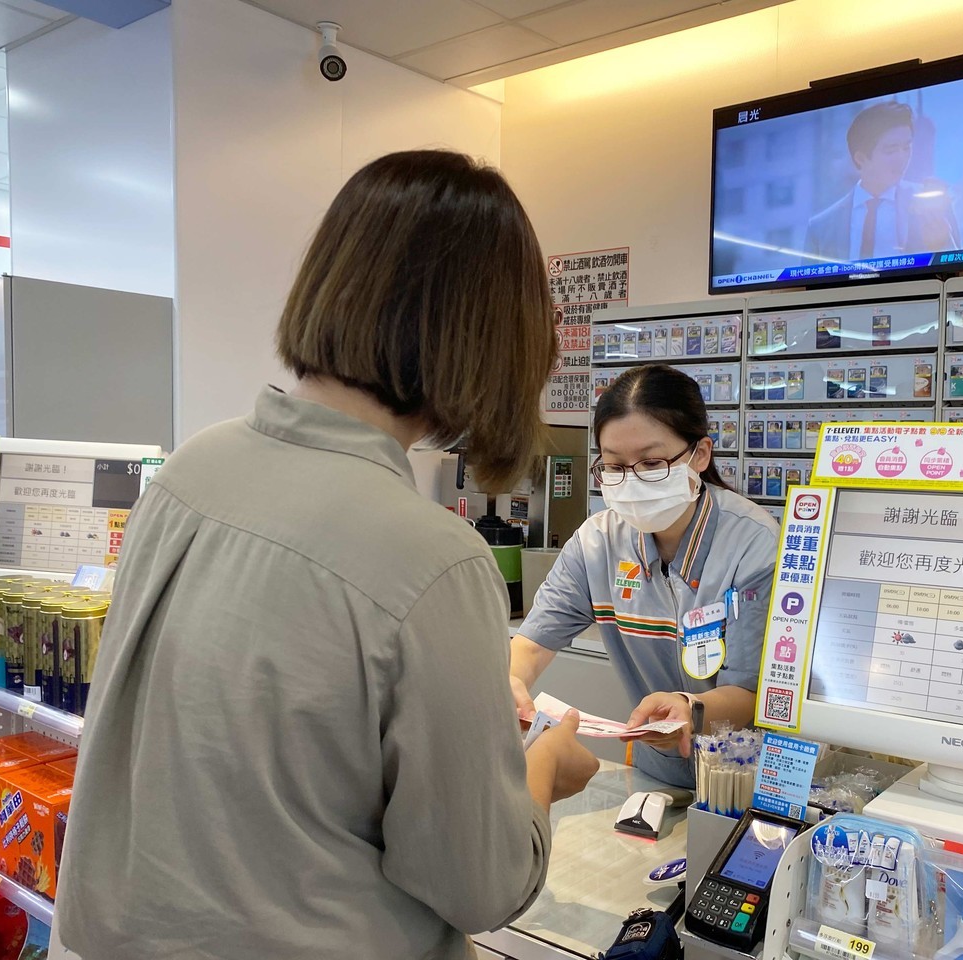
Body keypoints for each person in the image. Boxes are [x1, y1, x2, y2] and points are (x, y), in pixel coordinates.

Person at [53, 151, 599, 960]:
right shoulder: (431, 559)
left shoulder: (192, 468)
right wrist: (543, 772)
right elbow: (478, 886)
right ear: (487, 337)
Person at [509, 364, 780, 788]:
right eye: (615, 466)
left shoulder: (753, 543)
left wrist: (689, 709)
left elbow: (750, 692)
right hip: (658, 771)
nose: (632, 481)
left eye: (652, 463)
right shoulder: (597, 543)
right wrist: (511, 680)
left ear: (700, 454)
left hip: (743, 775)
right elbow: (533, 642)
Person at [804, 101, 960, 263]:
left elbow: (959, 269)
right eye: (891, 150)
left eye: (906, 148)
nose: (902, 158)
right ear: (861, 158)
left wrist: (942, 245)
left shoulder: (932, 204)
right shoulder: (820, 226)